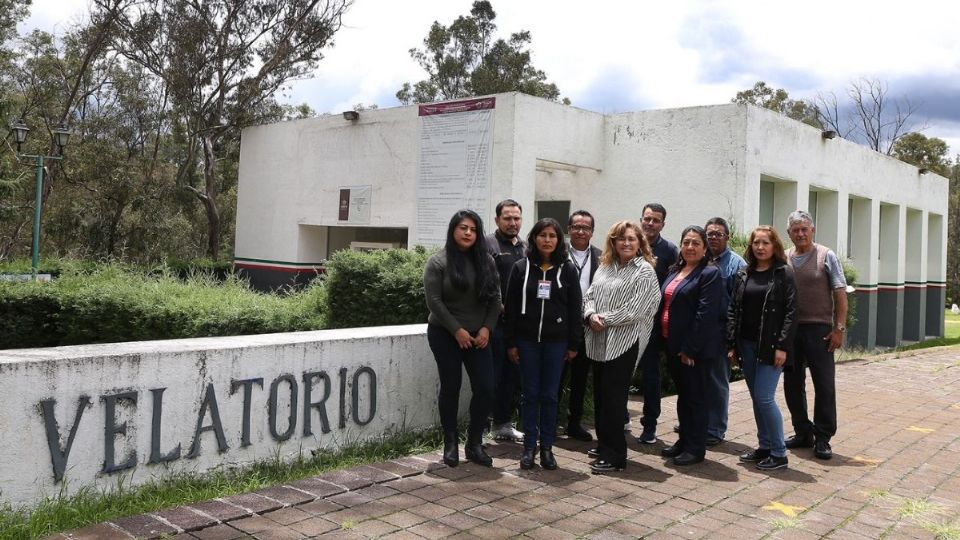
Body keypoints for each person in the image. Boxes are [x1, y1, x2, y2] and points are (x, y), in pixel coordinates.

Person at [424, 210, 501, 467]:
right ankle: (450, 443)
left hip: (478, 337)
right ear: (453, 230)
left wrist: (486, 329)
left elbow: (495, 299)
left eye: (473, 229)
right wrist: (457, 330)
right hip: (445, 334)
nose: (468, 233)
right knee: (451, 387)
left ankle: (475, 443)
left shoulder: (487, 261)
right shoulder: (438, 262)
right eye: (463, 228)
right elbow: (434, 301)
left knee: (486, 388)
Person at [583, 220, 661, 473]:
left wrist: (603, 319)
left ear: (640, 243)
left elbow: (636, 310)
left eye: (631, 239)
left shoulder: (644, 271)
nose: (626, 243)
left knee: (614, 399)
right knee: (601, 396)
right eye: (621, 239)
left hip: (624, 342)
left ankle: (616, 456)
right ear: (613, 243)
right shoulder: (605, 266)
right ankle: (604, 443)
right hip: (598, 339)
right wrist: (590, 315)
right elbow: (590, 295)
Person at [504, 218, 582, 470]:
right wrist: (511, 342)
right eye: (542, 235)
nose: (547, 240)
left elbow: (575, 308)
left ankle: (547, 447)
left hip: (556, 343)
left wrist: (573, 344)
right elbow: (512, 308)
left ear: (559, 240)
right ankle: (529, 447)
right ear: (534, 238)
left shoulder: (568, 270)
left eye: (552, 235)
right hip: (526, 342)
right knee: (529, 395)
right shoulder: (520, 268)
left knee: (549, 396)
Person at [727, 226, 798, 471]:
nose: (760, 247)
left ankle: (779, 453)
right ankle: (765, 446)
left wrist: (782, 346)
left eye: (765, 242)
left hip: (770, 346)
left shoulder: (783, 273)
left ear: (774, 246)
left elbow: (791, 312)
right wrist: (732, 345)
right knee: (757, 398)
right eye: (756, 242)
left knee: (765, 398)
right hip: (745, 345)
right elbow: (734, 309)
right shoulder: (744, 273)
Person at [783, 210, 848, 460]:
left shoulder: (826, 255)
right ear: (789, 233)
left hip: (819, 330)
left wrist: (838, 329)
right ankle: (802, 432)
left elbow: (840, 294)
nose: (800, 233)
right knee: (792, 383)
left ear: (813, 230)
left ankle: (822, 436)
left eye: (804, 229)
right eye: (795, 229)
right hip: (790, 330)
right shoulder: (784, 257)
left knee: (823, 384)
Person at [659, 226, 724, 466]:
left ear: (705, 248)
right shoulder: (675, 270)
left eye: (696, 243)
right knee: (683, 396)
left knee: (696, 398)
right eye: (686, 242)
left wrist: (689, 349)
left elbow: (704, 315)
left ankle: (695, 448)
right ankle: (684, 440)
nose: (690, 247)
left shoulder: (709, 273)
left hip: (693, 351)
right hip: (672, 345)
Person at [636, 203, 679, 443]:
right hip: (627, 323)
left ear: (663, 224)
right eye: (647, 218)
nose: (650, 223)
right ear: (641, 219)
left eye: (656, 220)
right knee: (622, 373)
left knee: (651, 377)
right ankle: (621, 416)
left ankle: (649, 425)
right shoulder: (630, 244)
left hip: (652, 326)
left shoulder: (670, 251)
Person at [485, 199, 526, 442]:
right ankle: (481, 426)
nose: (513, 223)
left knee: (512, 376)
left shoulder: (526, 246)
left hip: (519, 326)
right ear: (497, 219)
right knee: (491, 376)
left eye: (517, 218)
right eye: (508, 218)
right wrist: (498, 305)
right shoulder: (487, 244)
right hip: (495, 324)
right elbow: (484, 282)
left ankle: (503, 423)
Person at [703, 217, 747, 446]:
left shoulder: (736, 264)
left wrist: (733, 341)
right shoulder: (700, 258)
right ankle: (698, 422)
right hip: (699, 330)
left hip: (721, 331)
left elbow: (739, 304)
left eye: (718, 234)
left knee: (717, 380)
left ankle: (716, 429)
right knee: (698, 379)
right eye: (709, 234)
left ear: (727, 237)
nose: (713, 238)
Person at [559, 210, 602, 442]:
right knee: (556, 376)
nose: (581, 231)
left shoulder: (601, 256)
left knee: (580, 378)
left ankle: (574, 423)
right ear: (569, 229)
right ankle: (549, 422)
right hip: (560, 326)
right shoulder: (558, 253)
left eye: (586, 227)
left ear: (592, 232)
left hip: (587, 325)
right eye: (576, 226)